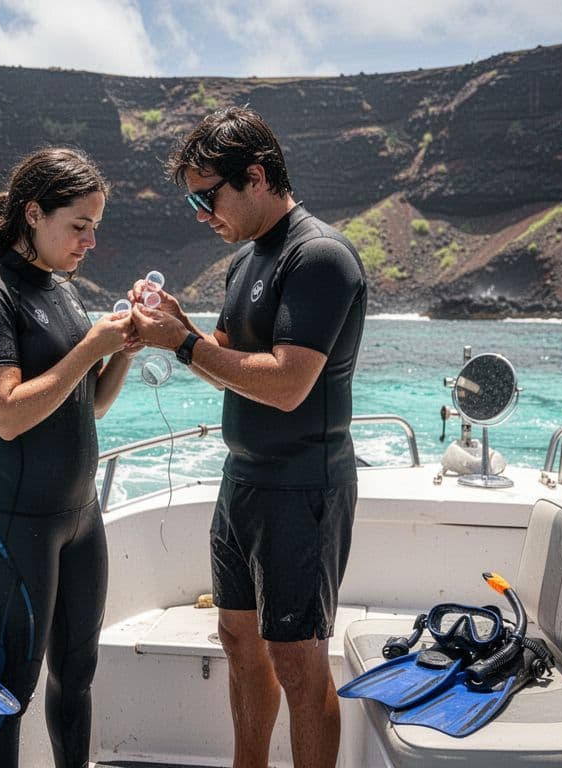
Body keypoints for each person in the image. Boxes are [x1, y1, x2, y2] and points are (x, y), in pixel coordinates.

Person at [129, 106, 367, 768]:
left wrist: (182, 345)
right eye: (192, 203)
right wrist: (182, 326)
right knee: (238, 637)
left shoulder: (318, 255)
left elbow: (288, 384)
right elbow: (229, 361)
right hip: (244, 481)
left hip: (302, 485)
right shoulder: (245, 262)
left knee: (299, 660)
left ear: (255, 177)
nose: (202, 213)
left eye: (208, 196)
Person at [0, 147, 137, 768]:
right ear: (33, 213)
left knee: (76, 677)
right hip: (12, 520)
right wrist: (88, 346)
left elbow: (92, 404)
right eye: (78, 226)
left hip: (79, 517)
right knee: (8, 694)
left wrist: (123, 349)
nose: (89, 242)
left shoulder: (63, 291)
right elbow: (5, 414)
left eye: (94, 228)